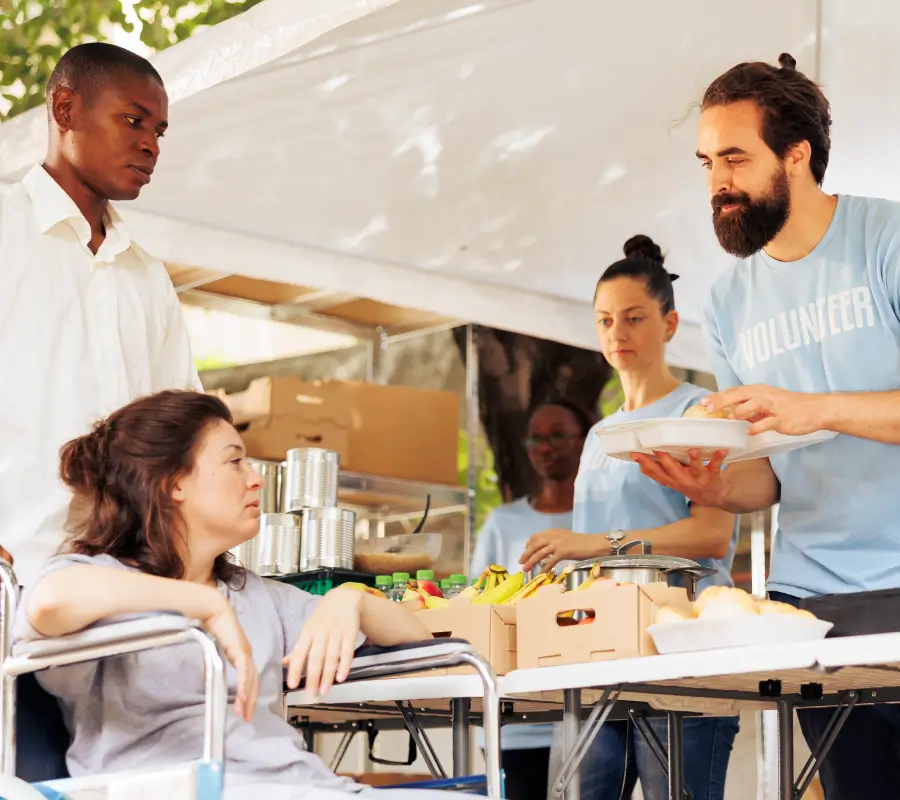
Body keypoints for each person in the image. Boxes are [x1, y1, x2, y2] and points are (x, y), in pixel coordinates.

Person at [635, 53, 900, 798]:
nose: (717, 182)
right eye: (706, 162)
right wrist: (712, 480)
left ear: (797, 155)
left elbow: (802, 416)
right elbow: (766, 473)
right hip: (811, 603)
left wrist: (816, 406)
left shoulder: (886, 240)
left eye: (735, 158)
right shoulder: (729, 301)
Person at [11, 390, 479, 800]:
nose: (255, 478)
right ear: (175, 484)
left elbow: (418, 640)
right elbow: (48, 601)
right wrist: (201, 605)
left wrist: (350, 599)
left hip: (307, 785)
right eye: (234, 461)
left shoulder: (255, 596)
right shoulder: (100, 580)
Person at [521, 236, 740, 800]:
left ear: (669, 325)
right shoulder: (598, 435)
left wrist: (596, 544)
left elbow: (713, 535)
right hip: (598, 650)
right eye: (605, 320)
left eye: (634, 318)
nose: (617, 333)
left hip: (683, 649)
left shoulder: (699, 412)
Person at [0, 42, 198, 586]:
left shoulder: (147, 277)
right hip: (13, 580)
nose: (149, 145)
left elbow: (183, 439)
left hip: (122, 594)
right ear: (66, 111)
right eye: (133, 120)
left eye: (158, 131)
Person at [469, 399, 592, 800]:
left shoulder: (598, 522)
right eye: (537, 438)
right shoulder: (502, 523)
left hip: (593, 714)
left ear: (584, 440)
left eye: (558, 435)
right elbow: (476, 608)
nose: (546, 447)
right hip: (515, 719)